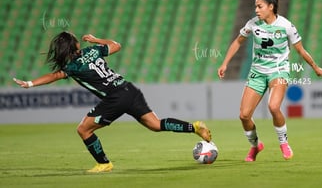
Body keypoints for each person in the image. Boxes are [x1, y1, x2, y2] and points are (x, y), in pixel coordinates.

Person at [13, 32, 211, 173]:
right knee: (155, 125)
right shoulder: (93, 50)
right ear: (76, 45)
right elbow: (117, 45)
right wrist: (96, 39)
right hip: (128, 88)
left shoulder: (71, 67)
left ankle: (104, 163)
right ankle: (193, 127)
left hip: (115, 97)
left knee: (84, 130)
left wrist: (30, 83)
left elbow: (53, 76)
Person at [217, 0, 322, 162]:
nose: (256, 10)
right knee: (244, 115)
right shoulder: (253, 24)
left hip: (279, 71)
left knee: (274, 107)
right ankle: (255, 146)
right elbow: (238, 42)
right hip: (257, 72)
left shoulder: (286, 26)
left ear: (271, 6)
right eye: (255, 7)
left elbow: (300, 50)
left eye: (259, 6)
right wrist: (225, 63)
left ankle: (283, 142)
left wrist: (316, 68)